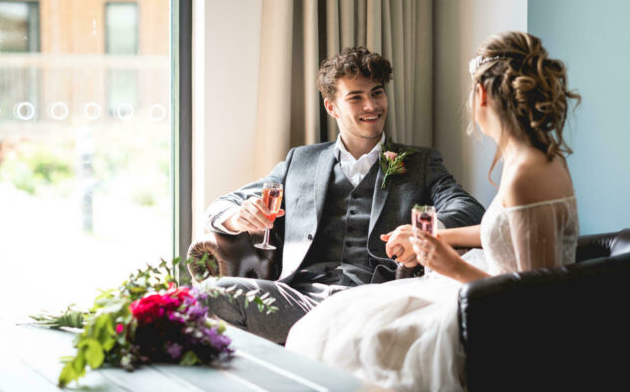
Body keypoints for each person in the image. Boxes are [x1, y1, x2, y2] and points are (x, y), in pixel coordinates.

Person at [285, 31, 581, 391]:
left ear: (483, 95)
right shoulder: (533, 158)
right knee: (334, 324)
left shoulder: (525, 173)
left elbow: (534, 303)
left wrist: (450, 265)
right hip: (483, 292)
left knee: (349, 338)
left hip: (495, 312)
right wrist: (433, 236)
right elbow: (503, 229)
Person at [201, 46, 485, 344]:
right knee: (208, 296)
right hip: (298, 301)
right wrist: (238, 217)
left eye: (377, 93)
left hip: (374, 306)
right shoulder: (301, 161)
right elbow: (220, 206)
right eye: (356, 97)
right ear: (332, 107)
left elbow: (468, 209)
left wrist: (422, 232)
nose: (371, 106)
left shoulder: (420, 163)